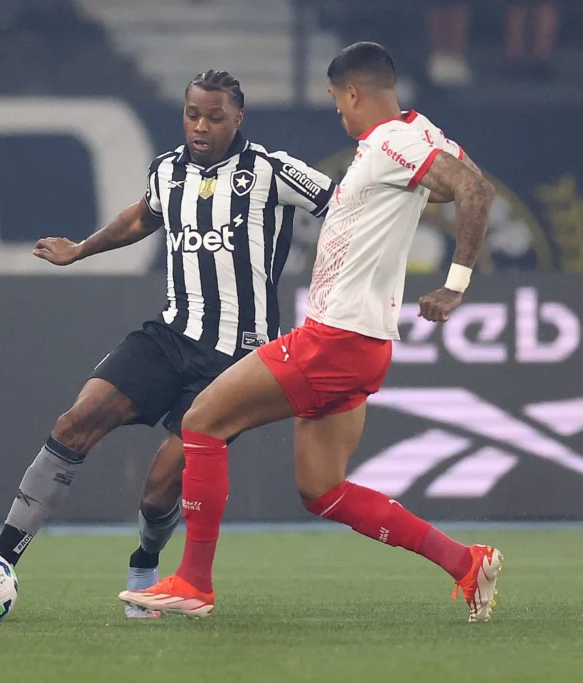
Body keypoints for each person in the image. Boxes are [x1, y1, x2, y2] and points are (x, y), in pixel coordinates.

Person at [0, 70, 336, 618]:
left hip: (235, 360)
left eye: (214, 117)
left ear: (238, 118)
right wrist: (80, 249)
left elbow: (345, 209)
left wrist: (348, 282)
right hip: (169, 336)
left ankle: (145, 565)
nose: (201, 126)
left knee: (160, 485)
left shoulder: (272, 171)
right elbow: (141, 217)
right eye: (192, 114)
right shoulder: (168, 170)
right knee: (76, 421)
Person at [119, 42, 503, 622]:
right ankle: (465, 562)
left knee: (201, 421)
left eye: (336, 100)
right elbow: (460, 183)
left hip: (336, 339)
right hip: (363, 343)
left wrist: (455, 284)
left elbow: (475, 191)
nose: (338, 112)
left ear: (352, 92)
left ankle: (193, 582)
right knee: (323, 491)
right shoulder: (420, 133)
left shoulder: (391, 141)